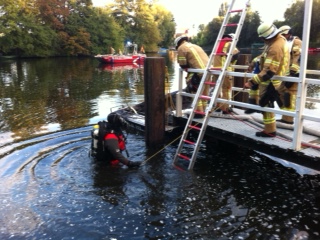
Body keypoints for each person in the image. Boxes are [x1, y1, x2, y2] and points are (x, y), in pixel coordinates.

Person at [244, 23, 290, 137]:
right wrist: (255, 61)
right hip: (275, 80)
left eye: (262, 38)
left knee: (266, 103)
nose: (262, 39)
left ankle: (270, 131)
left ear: (266, 36)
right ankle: (270, 129)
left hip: (271, 82)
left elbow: (269, 71)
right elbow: (264, 56)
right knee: (268, 104)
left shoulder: (275, 47)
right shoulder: (278, 41)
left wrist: (251, 82)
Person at [174, 35, 210, 117]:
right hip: (208, 71)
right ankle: (204, 110)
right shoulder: (196, 46)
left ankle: (199, 112)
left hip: (198, 72)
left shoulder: (181, 48)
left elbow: (183, 64)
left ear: (178, 43)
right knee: (204, 91)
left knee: (193, 90)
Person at [276, 25, 302, 124]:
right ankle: (285, 115)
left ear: (289, 33)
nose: (282, 36)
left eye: (284, 34)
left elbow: (298, 58)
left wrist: (293, 73)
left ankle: (288, 119)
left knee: (289, 95)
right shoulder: (285, 43)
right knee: (278, 92)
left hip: (294, 74)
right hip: (285, 74)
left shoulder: (297, 42)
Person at [213, 33, 240, 114]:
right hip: (225, 70)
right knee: (226, 89)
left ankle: (217, 106)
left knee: (217, 89)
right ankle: (226, 109)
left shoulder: (218, 44)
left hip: (215, 70)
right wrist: (232, 62)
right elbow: (236, 54)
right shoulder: (230, 43)